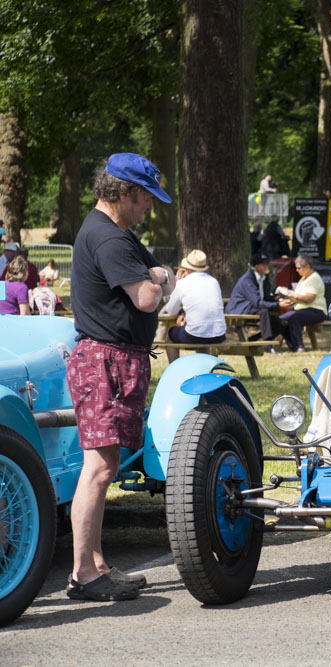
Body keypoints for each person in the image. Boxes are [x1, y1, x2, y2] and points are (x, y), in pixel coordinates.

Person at [66, 152, 175, 602]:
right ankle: (83, 576)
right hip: (104, 361)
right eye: (146, 199)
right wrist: (162, 278)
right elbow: (149, 296)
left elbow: (158, 280)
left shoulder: (116, 233)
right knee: (98, 469)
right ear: (125, 194)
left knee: (102, 466)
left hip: (110, 359)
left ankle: (96, 566)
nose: (149, 208)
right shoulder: (110, 240)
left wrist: (160, 276)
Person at [159, 249, 227, 363]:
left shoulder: (182, 283)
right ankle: (204, 371)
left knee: (170, 336)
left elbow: (171, 311)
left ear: (186, 269)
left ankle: (175, 370)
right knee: (204, 338)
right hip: (220, 334)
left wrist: (175, 284)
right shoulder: (213, 281)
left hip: (195, 334)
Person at [227, 252, 281, 346]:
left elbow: (265, 296)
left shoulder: (263, 277)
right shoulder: (247, 281)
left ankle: (253, 340)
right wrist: (278, 305)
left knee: (281, 323)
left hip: (251, 307)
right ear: (257, 267)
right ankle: (268, 344)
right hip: (240, 309)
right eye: (264, 264)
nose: (267, 265)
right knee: (264, 311)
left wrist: (276, 298)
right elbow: (258, 303)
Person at [277, 254, 327, 352]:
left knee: (294, 317)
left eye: (299, 268)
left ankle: (299, 346)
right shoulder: (303, 278)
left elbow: (309, 298)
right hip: (304, 309)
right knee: (281, 320)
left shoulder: (314, 278)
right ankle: (291, 345)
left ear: (307, 267)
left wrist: (292, 294)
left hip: (317, 311)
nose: (297, 270)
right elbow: (300, 299)